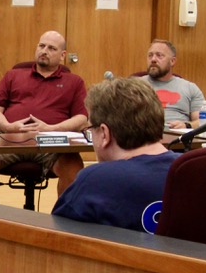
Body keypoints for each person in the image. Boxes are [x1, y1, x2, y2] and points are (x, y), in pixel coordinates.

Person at [0, 31, 89, 202]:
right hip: (10, 140)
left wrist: (51, 129)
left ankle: (60, 220)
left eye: (51, 48)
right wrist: (8, 127)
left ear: (63, 56)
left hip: (51, 145)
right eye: (41, 46)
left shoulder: (74, 81)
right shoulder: (13, 75)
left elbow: (81, 118)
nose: (44, 50)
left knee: (74, 167)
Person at [51, 78, 178, 232]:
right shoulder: (196, 172)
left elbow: (58, 239)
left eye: (91, 129)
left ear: (104, 134)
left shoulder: (95, 181)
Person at [142, 39, 206, 130]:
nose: (153, 59)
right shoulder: (134, 86)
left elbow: (203, 122)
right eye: (150, 55)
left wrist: (186, 125)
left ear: (172, 61)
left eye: (159, 55)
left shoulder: (190, 88)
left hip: (178, 138)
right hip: (143, 137)